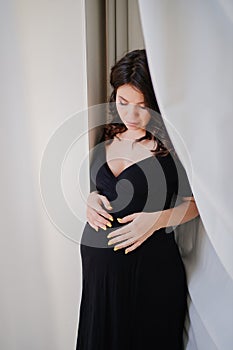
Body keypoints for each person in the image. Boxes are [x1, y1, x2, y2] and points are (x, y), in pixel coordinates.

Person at [76, 49, 199, 350]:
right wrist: (91, 198)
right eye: (123, 103)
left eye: (142, 106)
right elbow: (104, 188)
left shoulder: (172, 145)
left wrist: (156, 220)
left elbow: (196, 203)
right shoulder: (106, 133)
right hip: (98, 277)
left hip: (149, 276)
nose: (131, 115)